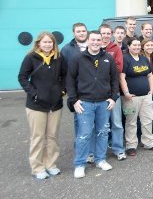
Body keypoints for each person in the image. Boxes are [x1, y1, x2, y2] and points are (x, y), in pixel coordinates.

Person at [67, 31, 119, 178]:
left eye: (98, 39)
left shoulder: (108, 58)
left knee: (103, 132)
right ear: (88, 41)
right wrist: (74, 100)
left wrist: (113, 98)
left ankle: (100, 160)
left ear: (102, 41)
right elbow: (70, 81)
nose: (96, 42)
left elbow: (114, 80)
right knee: (84, 134)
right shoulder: (78, 58)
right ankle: (80, 164)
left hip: (104, 103)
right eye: (93, 39)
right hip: (85, 103)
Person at [18, 32, 66, 180]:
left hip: (55, 104)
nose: (47, 45)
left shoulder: (59, 57)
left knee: (52, 136)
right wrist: (34, 93)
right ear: (39, 43)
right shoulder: (31, 58)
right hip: (36, 105)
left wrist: (62, 91)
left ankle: (51, 165)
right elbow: (22, 77)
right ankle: (37, 167)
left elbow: (65, 76)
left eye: (50, 42)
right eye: (44, 42)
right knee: (38, 137)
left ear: (54, 44)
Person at [86, 24, 126, 162]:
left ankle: (118, 149)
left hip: (113, 92)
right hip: (95, 93)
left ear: (112, 34)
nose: (105, 36)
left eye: (108, 33)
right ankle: (91, 152)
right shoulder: (91, 49)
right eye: (103, 33)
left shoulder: (115, 49)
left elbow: (118, 68)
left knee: (116, 123)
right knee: (95, 125)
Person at [120, 38, 153, 156]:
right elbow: (122, 77)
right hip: (131, 98)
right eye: (134, 45)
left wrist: (151, 90)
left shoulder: (144, 58)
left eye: (138, 45)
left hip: (146, 96)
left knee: (147, 120)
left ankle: (149, 142)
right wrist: (126, 93)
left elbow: (149, 75)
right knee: (131, 122)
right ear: (129, 46)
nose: (137, 47)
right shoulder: (125, 59)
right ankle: (131, 145)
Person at [141, 38, 153, 133]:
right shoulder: (140, 58)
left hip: (152, 91)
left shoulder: (152, 58)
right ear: (142, 47)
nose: (150, 47)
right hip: (142, 91)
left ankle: (151, 135)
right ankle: (142, 136)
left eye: (151, 45)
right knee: (144, 116)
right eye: (147, 45)